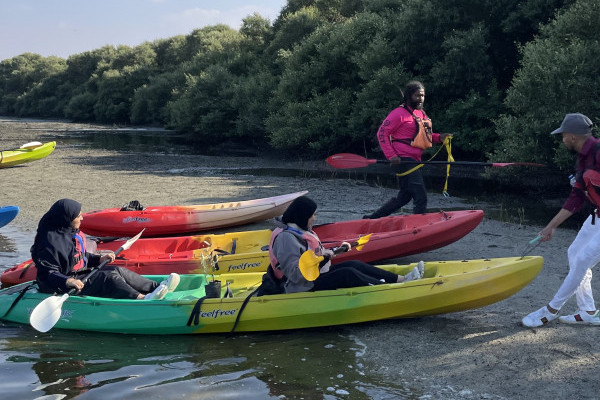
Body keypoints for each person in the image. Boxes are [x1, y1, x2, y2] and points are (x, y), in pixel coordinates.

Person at [522, 113, 600, 327]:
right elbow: (576, 198)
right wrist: (550, 227)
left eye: (563, 135)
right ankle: (587, 310)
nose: (562, 139)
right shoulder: (582, 159)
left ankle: (550, 310)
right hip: (598, 216)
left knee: (583, 259)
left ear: (572, 136)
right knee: (574, 253)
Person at [269, 196, 424, 293]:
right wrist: (323, 258)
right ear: (302, 216)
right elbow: (296, 275)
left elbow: (314, 254)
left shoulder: (300, 229)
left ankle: (401, 279)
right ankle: (389, 290)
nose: (315, 219)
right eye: (313, 215)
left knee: (354, 264)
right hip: (301, 286)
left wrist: (335, 251)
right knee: (347, 273)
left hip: (315, 275)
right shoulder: (286, 239)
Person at [32, 198, 179, 300]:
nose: (82, 219)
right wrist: (67, 281)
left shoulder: (69, 233)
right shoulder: (49, 243)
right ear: (66, 219)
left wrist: (99, 259)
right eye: (78, 216)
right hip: (59, 285)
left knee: (116, 270)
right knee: (106, 278)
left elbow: (79, 256)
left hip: (76, 275)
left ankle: (156, 287)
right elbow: (47, 273)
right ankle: (142, 298)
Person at [364, 80, 452, 218]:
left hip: (414, 160)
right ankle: (418, 228)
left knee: (403, 198)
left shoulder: (420, 114)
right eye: (417, 95)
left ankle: (370, 219)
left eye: (422, 95)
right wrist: (391, 155)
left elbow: (425, 136)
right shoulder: (398, 113)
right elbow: (381, 133)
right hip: (404, 160)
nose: (420, 99)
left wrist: (439, 137)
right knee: (421, 196)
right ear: (409, 96)